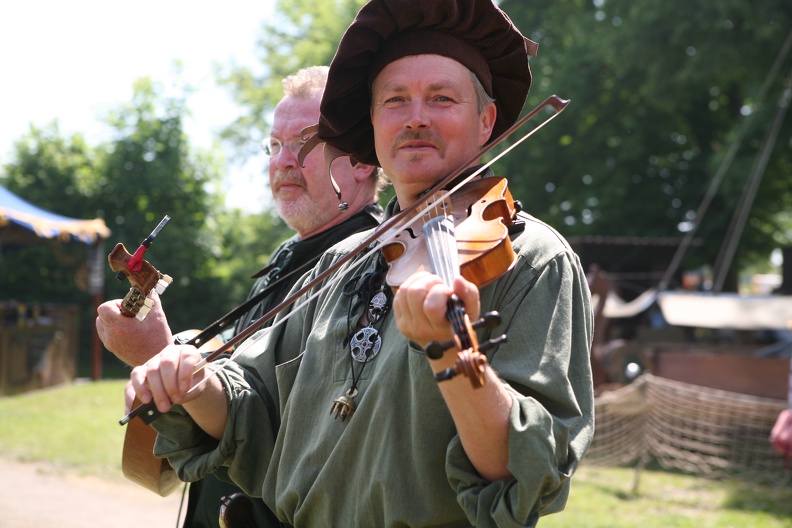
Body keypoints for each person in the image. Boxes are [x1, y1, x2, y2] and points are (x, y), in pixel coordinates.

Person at [126, 1, 595, 525]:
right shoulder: (342, 260)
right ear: (372, 125)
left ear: (486, 120)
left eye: (441, 98)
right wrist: (193, 383)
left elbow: (523, 473)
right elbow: (250, 413)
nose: (416, 116)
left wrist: (453, 354)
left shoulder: (533, 260)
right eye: (395, 100)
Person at [97, 65, 385, 527]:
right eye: (274, 144)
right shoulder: (285, 257)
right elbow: (234, 385)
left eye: (306, 142)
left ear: (364, 159)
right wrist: (169, 351)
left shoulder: (376, 265)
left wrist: (155, 353)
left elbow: (307, 435)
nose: (283, 160)